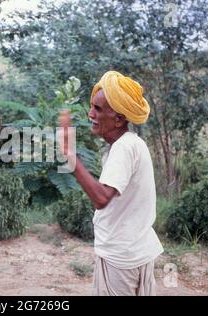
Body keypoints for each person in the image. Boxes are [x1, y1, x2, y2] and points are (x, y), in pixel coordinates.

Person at [59, 70, 164, 296]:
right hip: (135, 252)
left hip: (122, 258)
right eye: (92, 107)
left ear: (119, 118)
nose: (90, 114)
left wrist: (69, 155)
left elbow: (101, 198)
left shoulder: (124, 148)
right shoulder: (130, 145)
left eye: (98, 109)